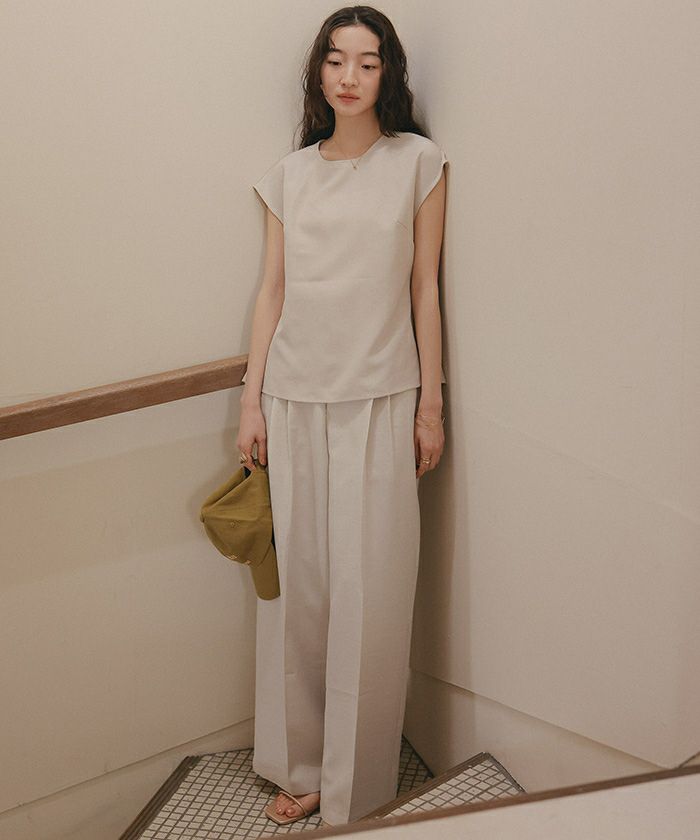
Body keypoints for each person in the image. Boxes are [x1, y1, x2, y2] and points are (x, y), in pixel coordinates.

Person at [236, 4, 448, 827]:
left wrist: (431, 404)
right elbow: (273, 291)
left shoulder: (418, 162)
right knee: (303, 595)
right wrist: (251, 400)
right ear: (317, 72)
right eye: (335, 60)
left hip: (381, 397)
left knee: (371, 593)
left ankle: (356, 784)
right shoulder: (289, 174)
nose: (349, 77)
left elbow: (424, 288)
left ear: (388, 73)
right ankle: (301, 765)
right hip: (292, 398)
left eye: (367, 62)